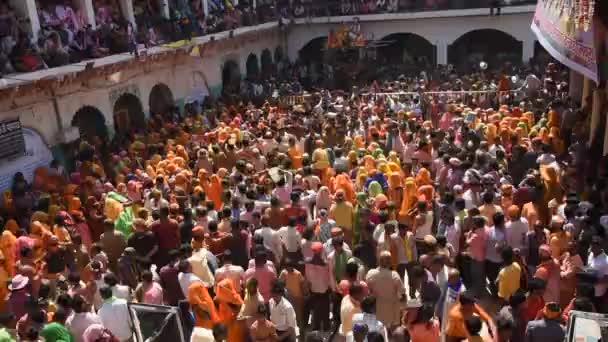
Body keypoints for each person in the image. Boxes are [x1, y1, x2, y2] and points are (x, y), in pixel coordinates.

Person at [365, 251, 404, 329]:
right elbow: (402, 292)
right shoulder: (394, 275)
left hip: (377, 310)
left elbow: (368, 291)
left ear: (379, 261)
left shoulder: (370, 274)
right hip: (392, 310)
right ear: (390, 263)